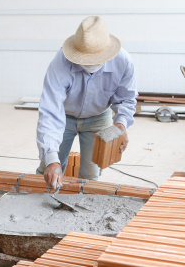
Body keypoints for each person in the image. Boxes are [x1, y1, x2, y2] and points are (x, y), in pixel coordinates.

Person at [36, 16, 137, 189]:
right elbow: (50, 112)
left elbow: (126, 98)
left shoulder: (123, 61)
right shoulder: (60, 63)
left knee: (91, 175)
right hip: (64, 116)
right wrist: (52, 159)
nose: (89, 64)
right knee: (50, 168)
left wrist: (121, 123)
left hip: (98, 116)